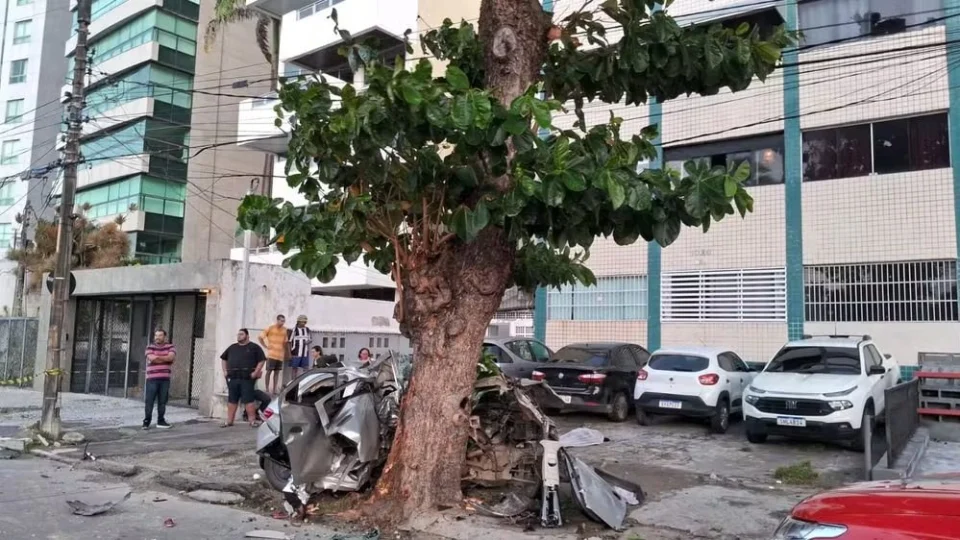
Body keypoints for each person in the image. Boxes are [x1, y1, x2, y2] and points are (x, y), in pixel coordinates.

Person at [221, 328, 266, 427]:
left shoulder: (254, 347)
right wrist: (225, 371)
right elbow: (224, 359)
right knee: (232, 400)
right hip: (233, 377)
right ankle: (229, 421)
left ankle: (252, 421)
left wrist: (255, 372)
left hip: (247, 378)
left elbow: (262, 360)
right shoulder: (232, 347)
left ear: (247, 336)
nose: (239, 336)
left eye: (241, 334)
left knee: (249, 400)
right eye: (238, 334)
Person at [144, 329, 176, 430]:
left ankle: (161, 421)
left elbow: (171, 358)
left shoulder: (170, 347)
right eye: (156, 335)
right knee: (149, 401)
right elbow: (151, 358)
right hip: (152, 379)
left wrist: (157, 357)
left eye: (160, 335)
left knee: (162, 402)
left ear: (164, 337)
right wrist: (164, 358)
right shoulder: (150, 347)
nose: (157, 337)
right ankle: (146, 422)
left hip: (164, 379)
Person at [259, 314, 288, 395]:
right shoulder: (271, 328)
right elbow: (260, 337)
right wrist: (265, 346)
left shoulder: (284, 330)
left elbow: (285, 342)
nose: (282, 323)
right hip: (271, 354)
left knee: (277, 373)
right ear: (277, 320)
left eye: (284, 321)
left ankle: (274, 389)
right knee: (269, 371)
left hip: (280, 355)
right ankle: (267, 388)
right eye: (281, 321)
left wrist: (286, 353)